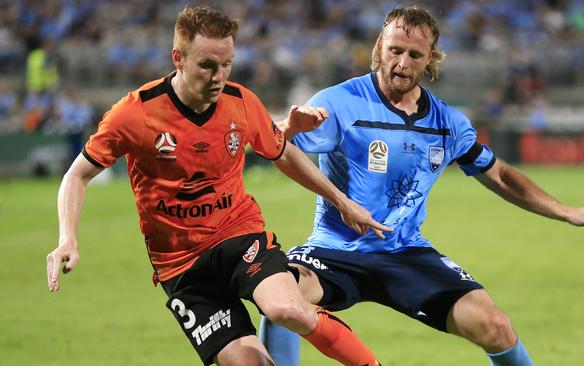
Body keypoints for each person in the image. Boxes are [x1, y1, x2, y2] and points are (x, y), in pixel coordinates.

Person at [259, 6, 584, 366]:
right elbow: (268, 141)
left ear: (430, 58)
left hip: (404, 251)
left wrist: (565, 211)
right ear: (379, 46)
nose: (401, 63)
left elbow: (500, 174)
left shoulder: (447, 122)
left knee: (494, 325)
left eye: (414, 55)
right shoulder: (339, 102)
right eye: (394, 51)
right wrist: (288, 128)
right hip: (335, 249)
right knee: (282, 295)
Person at [45, 6, 390, 366]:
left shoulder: (240, 102)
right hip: (180, 266)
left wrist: (341, 201)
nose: (219, 76)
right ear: (178, 58)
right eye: (208, 65)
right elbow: (77, 175)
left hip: (238, 235)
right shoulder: (136, 113)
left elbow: (281, 151)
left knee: (288, 309)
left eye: (227, 64)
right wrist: (67, 238)